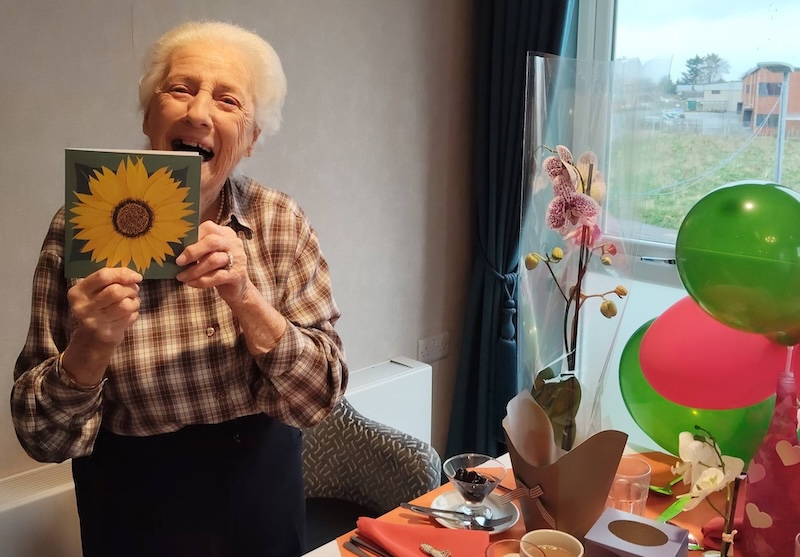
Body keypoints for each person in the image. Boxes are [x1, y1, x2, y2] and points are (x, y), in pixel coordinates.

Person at [10, 20, 347, 557]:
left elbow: (321, 397)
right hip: (132, 504)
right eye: (180, 89)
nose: (197, 113)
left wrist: (247, 299)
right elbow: (41, 436)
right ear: (149, 116)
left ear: (251, 139)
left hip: (262, 495)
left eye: (228, 100)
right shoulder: (80, 228)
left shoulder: (280, 222)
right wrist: (89, 348)